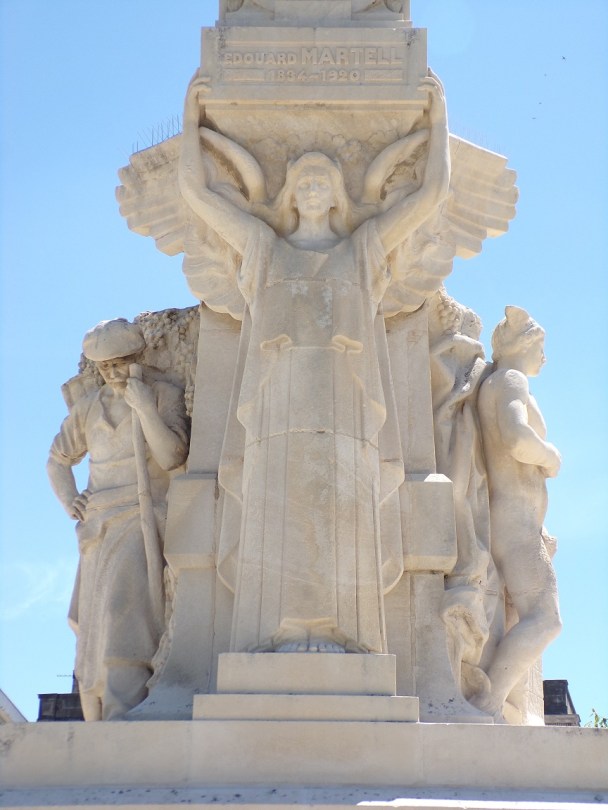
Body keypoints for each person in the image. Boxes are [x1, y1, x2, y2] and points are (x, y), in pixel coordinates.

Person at [179, 69, 450, 653]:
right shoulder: (263, 250)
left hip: (344, 403)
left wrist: (439, 121)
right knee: (281, 514)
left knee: (338, 512)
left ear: (335, 195)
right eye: (301, 180)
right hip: (278, 405)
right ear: (290, 193)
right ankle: (277, 631)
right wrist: (190, 118)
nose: (309, 187)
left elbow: (429, 198)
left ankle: (341, 631)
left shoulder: (362, 250)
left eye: (321, 180)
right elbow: (198, 196)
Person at [47, 319, 189, 720]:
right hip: (97, 524)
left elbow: (172, 457)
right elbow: (57, 460)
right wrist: (71, 500)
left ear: (137, 357)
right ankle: (97, 708)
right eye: (105, 366)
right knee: (89, 623)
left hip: (142, 515)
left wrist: (144, 408)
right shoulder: (88, 408)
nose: (112, 373)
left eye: (120, 363)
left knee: (125, 612)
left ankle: (122, 705)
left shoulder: (162, 393)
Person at [475, 306, 562, 721]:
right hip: (514, 522)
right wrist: (550, 456)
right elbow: (516, 438)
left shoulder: (496, 382)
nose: (544, 355)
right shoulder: (511, 379)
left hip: (514, 521)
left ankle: (499, 704)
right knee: (545, 619)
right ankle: (487, 703)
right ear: (521, 344)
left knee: (522, 619)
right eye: (539, 345)